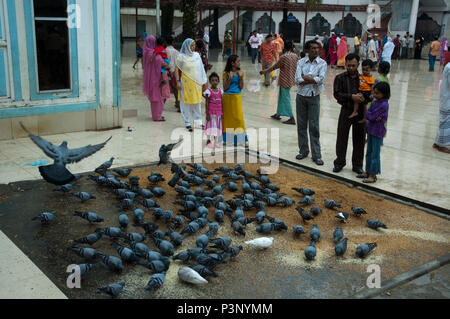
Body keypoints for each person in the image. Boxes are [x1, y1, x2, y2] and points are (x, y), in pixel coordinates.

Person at [294, 40, 327, 166]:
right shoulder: (300, 62)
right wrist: (312, 79)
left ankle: (316, 155)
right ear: (307, 50)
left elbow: (321, 80)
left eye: (317, 48)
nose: (315, 50)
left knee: (314, 126)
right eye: (312, 48)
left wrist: (306, 78)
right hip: (301, 96)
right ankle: (303, 151)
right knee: (301, 125)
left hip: (314, 97)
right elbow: (297, 80)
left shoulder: (322, 63)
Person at [332, 53, 366, 174]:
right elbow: (337, 94)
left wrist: (363, 98)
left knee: (359, 139)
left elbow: (369, 94)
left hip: (360, 113)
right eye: (349, 65)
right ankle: (339, 162)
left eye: (354, 65)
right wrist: (351, 97)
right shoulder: (340, 78)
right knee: (341, 137)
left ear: (358, 65)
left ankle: (357, 165)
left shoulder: (363, 79)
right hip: (346, 110)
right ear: (345, 64)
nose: (351, 68)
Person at [355, 82, 390, 183]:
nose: (374, 95)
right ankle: (368, 171)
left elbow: (370, 115)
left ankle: (373, 175)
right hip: (371, 129)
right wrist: (372, 116)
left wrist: (371, 116)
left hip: (378, 132)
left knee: (375, 154)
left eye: (377, 93)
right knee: (369, 152)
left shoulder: (384, 104)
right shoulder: (375, 102)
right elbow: (369, 114)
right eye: (374, 93)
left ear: (384, 93)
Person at [260, 41, 299, 125]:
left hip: (284, 80)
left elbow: (275, 67)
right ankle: (278, 114)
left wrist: (264, 71)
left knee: (285, 98)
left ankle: (291, 117)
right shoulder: (295, 56)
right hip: (291, 79)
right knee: (282, 97)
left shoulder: (284, 57)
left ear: (284, 48)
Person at [175, 38, 207, 132]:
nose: (193, 47)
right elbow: (177, 69)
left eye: (194, 45)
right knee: (186, 103)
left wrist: (204, 81)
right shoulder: (181, 57)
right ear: (186, 46)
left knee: (197, 102)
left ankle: (198, 122)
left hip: (196, 83)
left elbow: (201, 69)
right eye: (191, 46)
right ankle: (187, 122)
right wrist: (177, 81)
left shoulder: (197, 55)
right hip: (186, 83)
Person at [142, 35, 170, 122]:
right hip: (157, 78)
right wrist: (168, 66)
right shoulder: (153, 53)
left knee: (154, 98)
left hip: (151, 78)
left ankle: (156, 115)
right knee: (159, 98)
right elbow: (162, 63)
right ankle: (157, 117)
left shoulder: (146, 53)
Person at [222, 55, 247, 146]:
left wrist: (240, 78)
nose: (239, 63)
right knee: (228, 119)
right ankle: (228, 139)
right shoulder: (226, 73)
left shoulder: (241, 72)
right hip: (227, 97)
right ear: (232, 63)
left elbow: (241, 87)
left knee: (239, 118)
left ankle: (241, 139)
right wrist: (230, 78)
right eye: (238, 61)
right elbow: (224, 88)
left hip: (237, 97)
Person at [433, 61, 450, 153]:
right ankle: (441, 145)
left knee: (444, 121)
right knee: (445, 121)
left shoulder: (448, 65)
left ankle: (437, 142)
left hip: (446, 98)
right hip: (447, 100)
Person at [203, 72, 223, 149]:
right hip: (211, 113)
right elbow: (207, 102)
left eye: (216, 80)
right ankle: (208, 140)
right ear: (210, 81)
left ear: (218, 81)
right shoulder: (208, 91)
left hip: (218, 113)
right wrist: (207, 113)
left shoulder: (220, 91)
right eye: (212, 80)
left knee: (217, 127)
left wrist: (222, 112)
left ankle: (216, 141)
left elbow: (222, 102)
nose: (214, 82)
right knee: (210, 127)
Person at [165, 36, 180, 112]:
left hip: (167, 72)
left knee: (164, 88)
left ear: (166, 42)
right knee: (175, 89)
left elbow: (165, 62)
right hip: (175, 72)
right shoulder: (176, 51)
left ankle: (161, 105)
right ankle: (178, 104)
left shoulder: (165, 51)